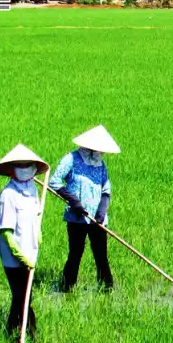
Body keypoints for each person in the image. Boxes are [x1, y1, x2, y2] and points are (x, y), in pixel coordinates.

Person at [49, 125, 121, 292]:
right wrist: (74, 202)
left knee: (101, 255)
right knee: (75, 254)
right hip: (77, 217)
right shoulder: (71, 159)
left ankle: (106, 288)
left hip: (97, 220)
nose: (99, 152)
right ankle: (67, 288)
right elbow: (54, 182)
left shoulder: (101, 164)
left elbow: (106, 190)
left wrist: (101, 212)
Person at [0, 144, 49, 340]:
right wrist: (20, 256)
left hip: (30, 250)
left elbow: (35, 218)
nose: (24, 168)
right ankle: (30, 335)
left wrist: (37, 234)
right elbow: (6, 232)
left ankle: (12, 332)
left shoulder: (33, 190)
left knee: (22, 297)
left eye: (27, 165)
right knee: (23, 296)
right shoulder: (8, 194)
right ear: (13, 168)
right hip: (13, 256)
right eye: (20, 165)